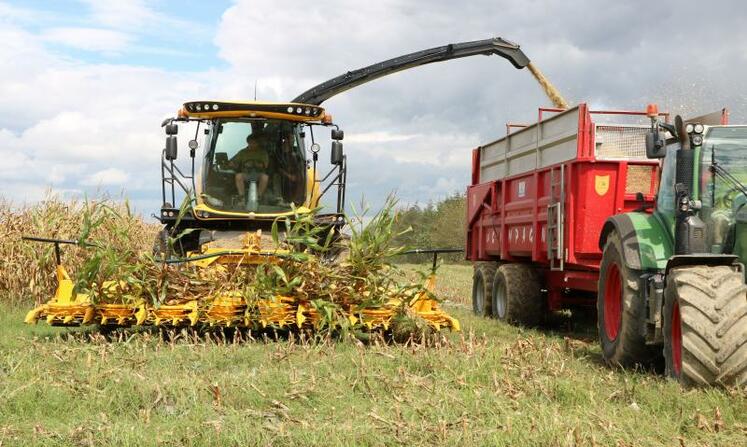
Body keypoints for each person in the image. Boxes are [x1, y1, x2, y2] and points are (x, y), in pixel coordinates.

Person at [230, 135, 269, 203]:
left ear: (258, 143)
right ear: (248, 142)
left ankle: (259, 197)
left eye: (254, 143)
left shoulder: (263, 153)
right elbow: (232, 162)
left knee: (265, 177)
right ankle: (241, 197)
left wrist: (255, 164)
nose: (253, 144)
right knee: (238, 176)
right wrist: (233, 164)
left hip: (258, 174)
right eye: (251, 143)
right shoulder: (242, 152)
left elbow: (265, 165)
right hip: (246, 174)